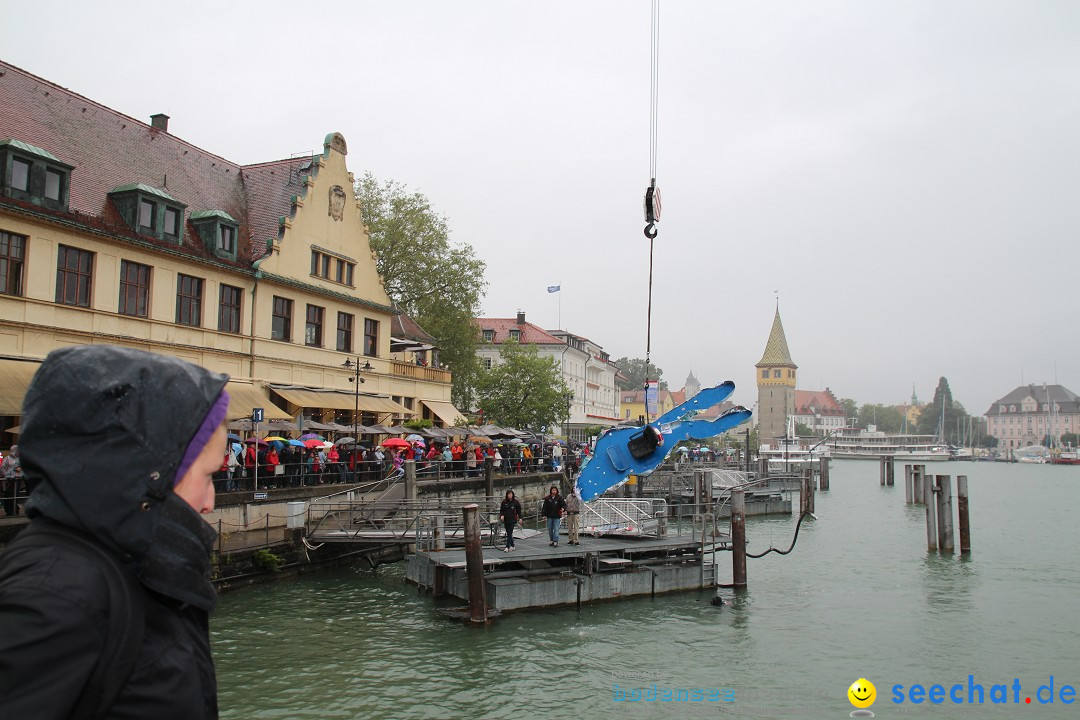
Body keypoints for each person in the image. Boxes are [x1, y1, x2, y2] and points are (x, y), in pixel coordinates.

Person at [0, 344, 227, 718]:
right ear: (150, 471)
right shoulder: (58, 594)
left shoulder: (134, 564)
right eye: (208, 476)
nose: (210, 502)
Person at [1, 444, 19, 516]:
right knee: (9, 495)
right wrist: (7, 475)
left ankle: (14, 509)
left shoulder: (19, 459)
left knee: (16, 495)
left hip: (17, 480)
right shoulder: (7, 458)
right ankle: (8, 510)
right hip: (9, 480)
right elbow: (2, 468)